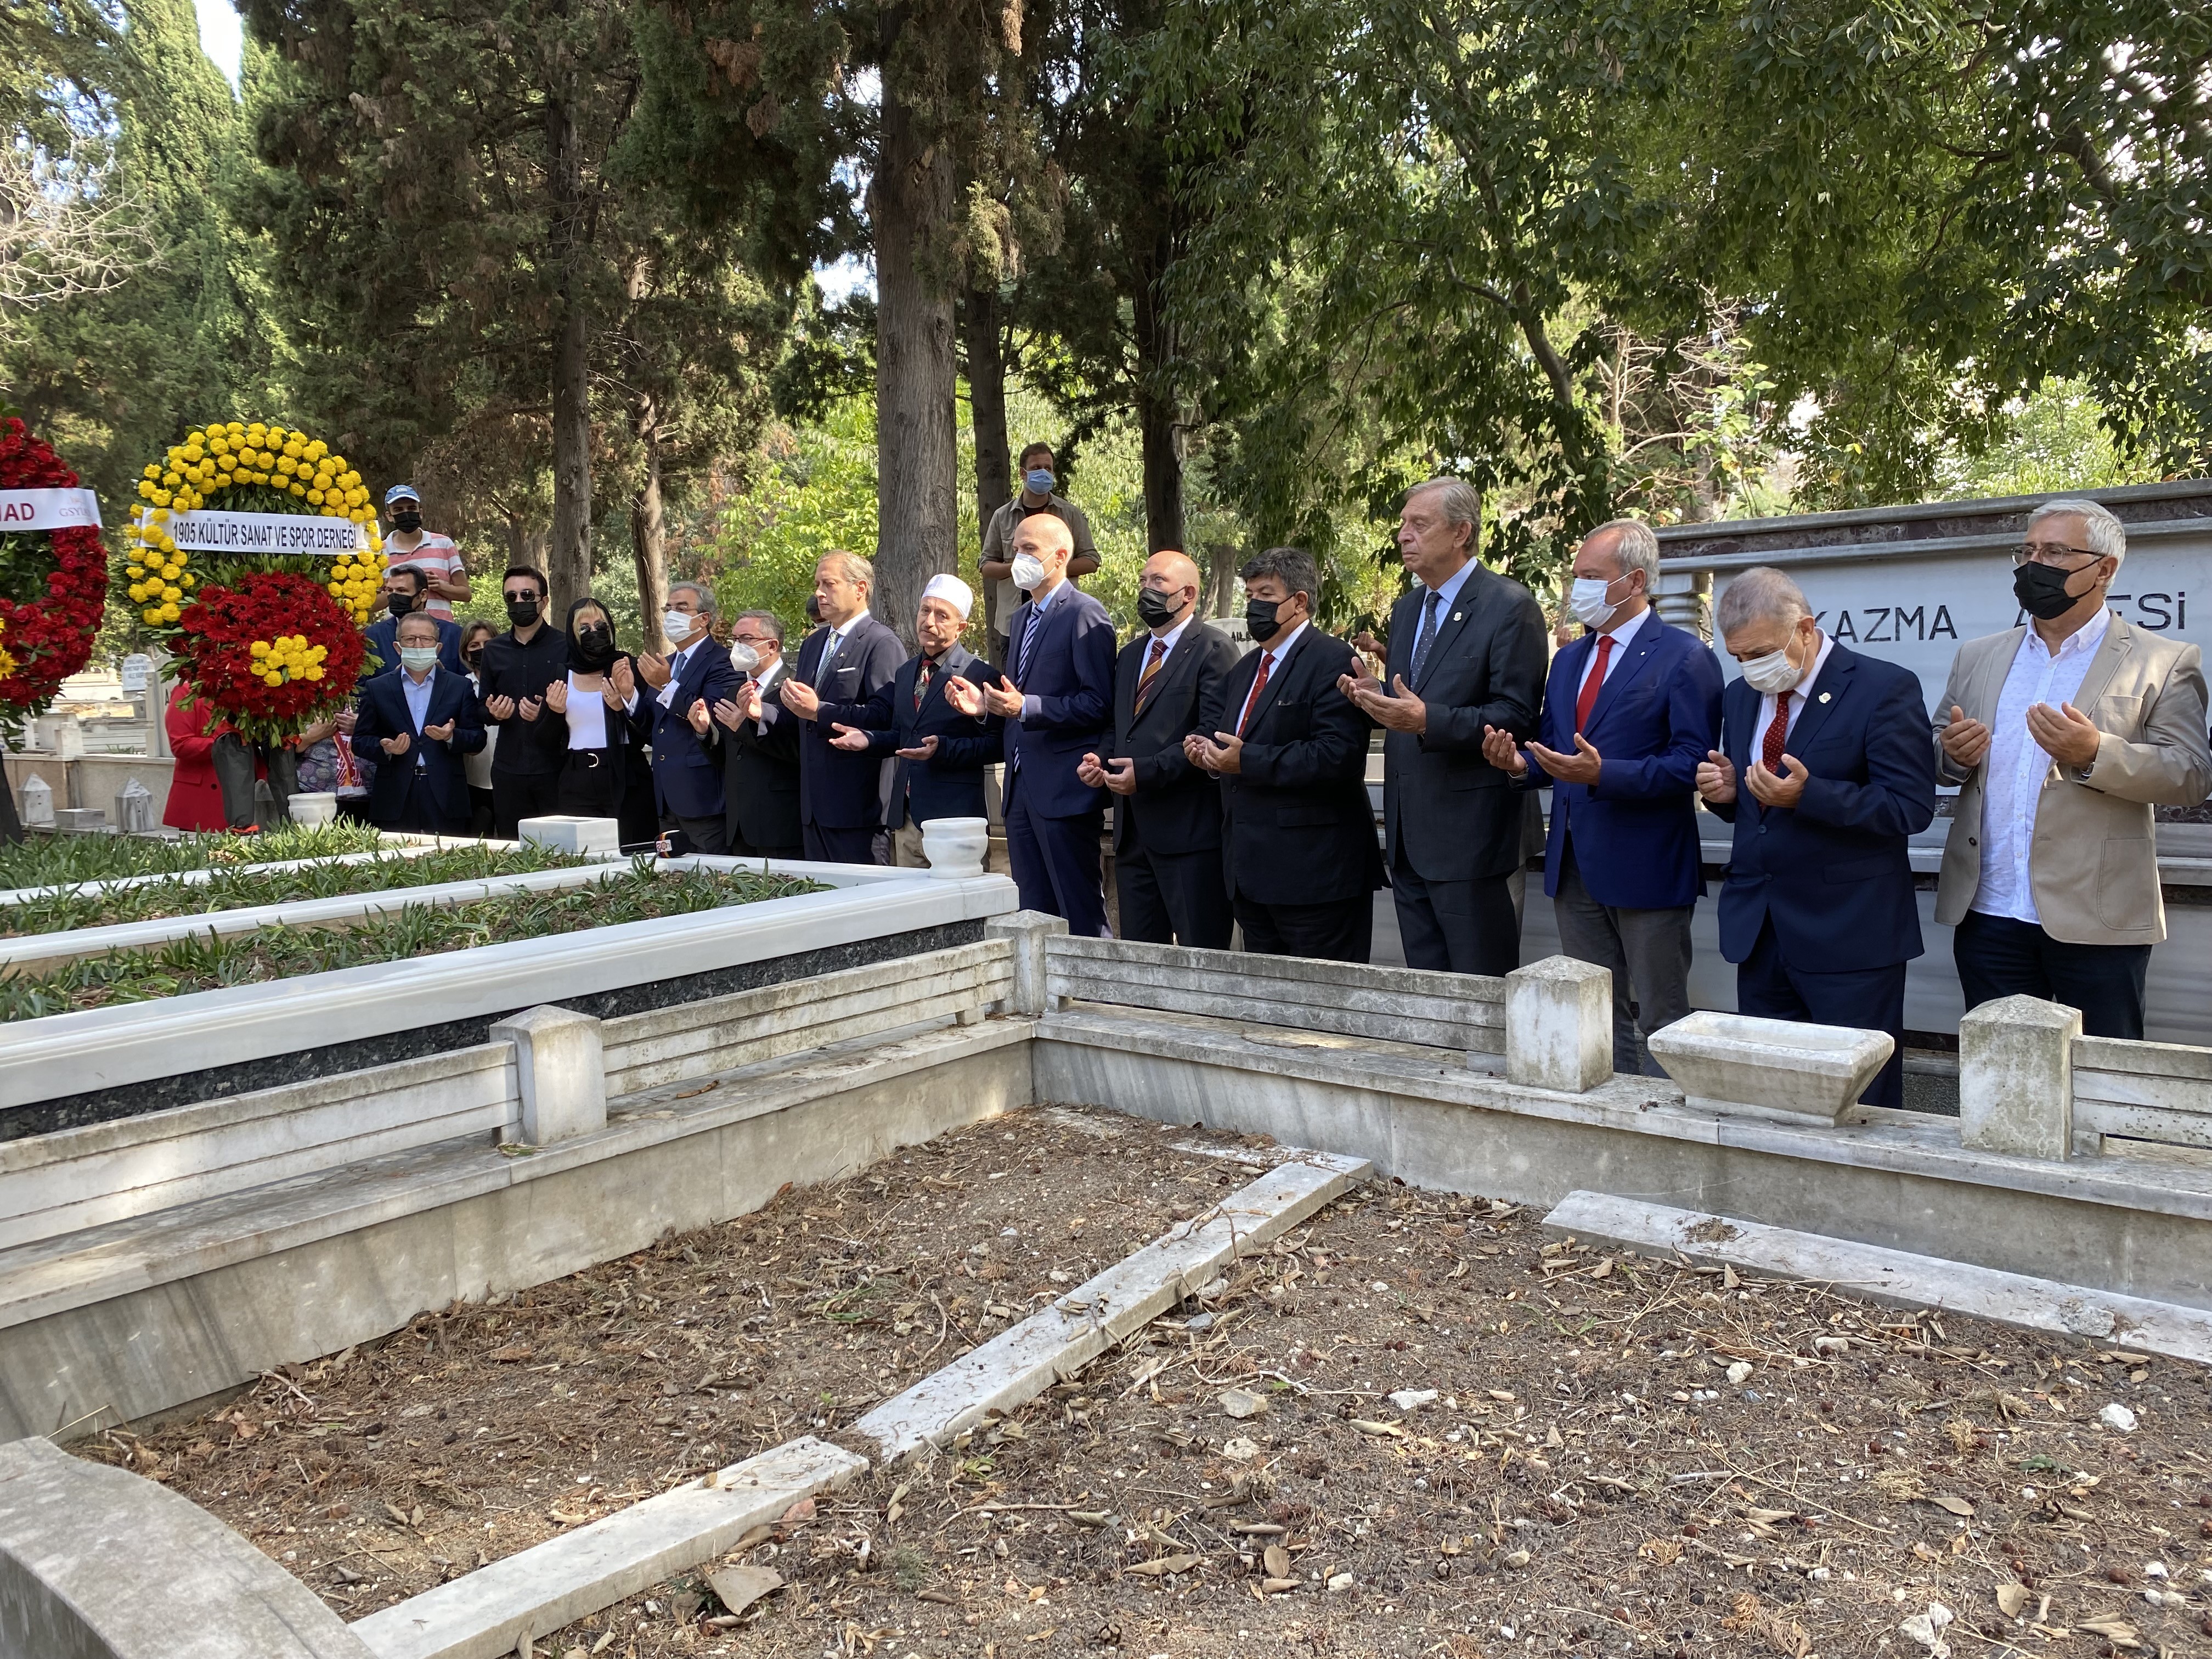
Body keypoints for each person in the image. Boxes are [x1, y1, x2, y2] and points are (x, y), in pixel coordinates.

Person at [1932, 498, 2211, 1041]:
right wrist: (1951, 755)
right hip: (1989, 913)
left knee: (2104, 1082)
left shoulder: (2163, 659)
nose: (2034, 564)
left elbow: (2190, 773)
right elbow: (1938, 748)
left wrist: (2094, 753)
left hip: (2098, 920)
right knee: (2005, 1080)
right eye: (2028, 550)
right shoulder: (1979, 656)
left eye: (2055, 551)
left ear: (2104, 568)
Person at [1482, 519, 1724, 1074]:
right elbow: (1554, 749)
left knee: (1662, 1015)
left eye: (1591, 577)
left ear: (1634, 580)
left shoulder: (1685, 658)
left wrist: (1605, 775)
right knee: (1593, 1011)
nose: (1577, 591)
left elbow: (1693, 763)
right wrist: (1519, 762)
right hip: (1574, 866)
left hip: (1647, 865)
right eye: (1576, 578)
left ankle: (1666, 1129)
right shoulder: (1569, 660)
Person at [1695, 566, 1936, 1110]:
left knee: (1859, 1101)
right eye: (1738, 657)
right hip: (1760, 933)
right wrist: (1729, 792)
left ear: (1805, 628)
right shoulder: (1740, 697)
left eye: (1761, 652)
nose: (1752, 667)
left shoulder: (1882, 688)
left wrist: (1810, 797)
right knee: (1772, 1097)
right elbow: (1757, 815)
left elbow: (1910, 807)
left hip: (1849, 936)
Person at [1339, 476, 1546, 977]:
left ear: (1461, 533)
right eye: (1403, 525)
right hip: (1410, 834)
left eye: (1419, 524)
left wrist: (1428, 720)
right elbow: (1411, 699)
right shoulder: (1409, 607)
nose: (1403, 535)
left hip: (1474, 838)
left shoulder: (1509, 606)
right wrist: (1377, 697)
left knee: (1480, 991)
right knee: (1430, 997)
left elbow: (1517, 717)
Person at [1189, 545, 1381, 962]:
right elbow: (1234, 742)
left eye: (1266, 595)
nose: (1254, 605)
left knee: (1324, 1008)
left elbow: (1339, 755)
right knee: (1265, 1010)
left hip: (1317, 877)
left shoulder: (1334, 661)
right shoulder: (1245, 670)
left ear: (1299, 602)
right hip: (1250, 876)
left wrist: (1247, 760)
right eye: (1249, 595)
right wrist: (1208, 754)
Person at [946, 515, 1116, 931]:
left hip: (1064, 789)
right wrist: (985, 708)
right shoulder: (1021, 619)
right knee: (1033, 912)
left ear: (1060, 557)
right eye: (1015, 549)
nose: (1018, 558)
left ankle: (1089, 994)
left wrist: (1027, 708)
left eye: (1029, 550)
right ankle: (1043, 997)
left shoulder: (1084, 614)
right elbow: (1015, 699)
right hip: (1020, 790)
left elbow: (1098, 704)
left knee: (1078, 911)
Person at [1077, 549, 1238, 949]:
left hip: (1189, 836)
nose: (1146, 590)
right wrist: (1101, 759)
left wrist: (1146, 773)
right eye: (1143, 582)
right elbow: (1119, 726)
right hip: (1133, 838)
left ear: (1188, 594)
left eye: (1157, 583)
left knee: (1203, 955)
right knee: (1141, 956)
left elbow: (1211, 734)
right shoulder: (1131, 655)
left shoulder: (1213, 651)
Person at [817, 574, 1002, 867]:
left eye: (942, 615)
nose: (929, 622)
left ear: (960, 627)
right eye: (925, 610)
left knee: (957, 909)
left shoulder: (979, 675)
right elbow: (902, 735)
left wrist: (942, 749)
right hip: (905, 821)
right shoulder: (905, 673)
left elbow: (996, 745)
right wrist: (869, 739)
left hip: (954, 820)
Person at [776, 553, 906, 862]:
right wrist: (760, 712)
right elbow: (801, 714)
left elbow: (886, 717)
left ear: (860, 588)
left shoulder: (881, 642)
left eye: (829, 584)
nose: (819, 593)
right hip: (813, 808)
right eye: (818, 584)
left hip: (858, 808)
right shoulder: (813, 643)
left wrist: (820, 711)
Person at [524, 596, 652, 844]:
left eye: (600, 626)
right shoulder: (562, 674)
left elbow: (646, 731)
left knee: (632, 851)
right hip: (577, 778)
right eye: (584, 628)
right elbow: (544, 742)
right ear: (573, 635)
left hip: (626, 776)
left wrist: (621, 705)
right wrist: (555, 712)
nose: (594, 632)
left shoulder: (627, 667)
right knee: (584, 854)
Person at [351, 608, 486, 833]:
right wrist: (385, 747)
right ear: (398, 647)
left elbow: (478, 738)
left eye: (426, 639)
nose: (418, 645)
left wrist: (451, 737)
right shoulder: (378, 688)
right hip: (395, 795)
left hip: (446, 795)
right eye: (410, 639)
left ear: (438, 647)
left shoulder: (459, 686)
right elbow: (360, 740)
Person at [635, 580, 739, 855]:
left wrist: (668, 685)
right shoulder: (665, 664)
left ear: (704, 619)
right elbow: (653, 729)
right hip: (665, 800)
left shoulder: (723, 661)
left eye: (682, 608)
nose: (672, 615)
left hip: (704, 798)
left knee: (713, 881)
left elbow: (709, 717)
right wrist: (628, 699)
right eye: (669, 608)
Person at [977, 442, 1100, 665]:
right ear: (1023, 474)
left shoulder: (1070, 514)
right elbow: (986, 566)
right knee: (1013, 685)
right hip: (1012, 623)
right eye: (1036, 468)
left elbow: (1091, 560)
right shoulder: (1002, 516)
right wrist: (1019, 567)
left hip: (1061, 620)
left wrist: (1049, 566)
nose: (1043, 472)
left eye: (1048, 468)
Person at [477, 566, 569, 837]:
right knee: (512, 848)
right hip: (509, 770)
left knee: (562, 850)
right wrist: (494, 713)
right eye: (512, 597)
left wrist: (549, 713)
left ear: (544, 600)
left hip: (557, 768)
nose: (519, 602)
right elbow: (481, 708)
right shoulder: (494, 650)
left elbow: (582, 703)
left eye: (527, 595)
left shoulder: (566, 647)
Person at [712, 611, 804, 858]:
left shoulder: (795, 687)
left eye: (746, 639)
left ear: (772, 645)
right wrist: (703, 733)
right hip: (739, 825)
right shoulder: (734, 690)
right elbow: (727, 756)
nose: (737, 647)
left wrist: (744, 726)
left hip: (780, 823)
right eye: (734, 640)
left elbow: (797, 750)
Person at [379, 486, 470, 615]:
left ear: (420, 513)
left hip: (441, 630)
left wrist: (439, 586)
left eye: (411, 508)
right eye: (399, 510)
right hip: (399, 632)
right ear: (389, 516)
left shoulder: (444, 544)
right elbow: (371, 606)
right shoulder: (379, 552)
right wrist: (395, 590)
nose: (406, 513)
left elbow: (466, 594)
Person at [160, 682, 238, 832]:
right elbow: (181, 744)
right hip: (203, 800)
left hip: (245, 795)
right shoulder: (188, 692)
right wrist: (225, 741)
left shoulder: (247, 691)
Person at [363, 565, 464, 679]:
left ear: (423, 595)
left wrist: (443, 678)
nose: (394, 596)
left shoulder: (454, 635)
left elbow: (467, 685)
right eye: (390, 590)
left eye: (402, 590)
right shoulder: (372, 636)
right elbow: (362, 688)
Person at [458, 620, 498, 834]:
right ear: (466, 652)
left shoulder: (510, 682)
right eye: (474, 646)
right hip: (473, 782)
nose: (482, 650)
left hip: (509, 781)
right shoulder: (460, 687)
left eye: (488, 643)